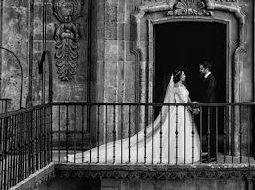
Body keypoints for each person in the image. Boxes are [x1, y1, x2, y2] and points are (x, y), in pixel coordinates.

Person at [65, 70, 201, 164]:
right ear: (178, 76)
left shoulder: (182, 86)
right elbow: (181, 102)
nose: (185, 76)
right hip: (178, 113)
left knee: (182, 135)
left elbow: (187, 99)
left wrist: (192, 104)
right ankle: (175, 154)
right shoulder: (175, 87)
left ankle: (183, 153)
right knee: (173, 135)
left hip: (184, 113)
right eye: (183, 74)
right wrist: (190, 107)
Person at [197, 61, 218, 162]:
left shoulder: (211, 79)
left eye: (201, 68)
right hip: (207, 108)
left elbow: (207, 95)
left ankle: (213, 155)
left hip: (210, 109)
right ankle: (211, 153)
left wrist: (200, 104)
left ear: (206, 69)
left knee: (211, 132)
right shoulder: (207, 79)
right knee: (208, 132)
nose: (199, 70)